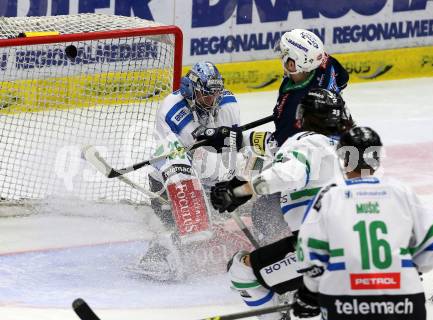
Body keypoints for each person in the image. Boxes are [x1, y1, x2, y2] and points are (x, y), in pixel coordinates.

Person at [209, 88, 354, 319]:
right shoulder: (349, 148)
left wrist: (241, 191)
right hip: (363, 244)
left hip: (322, 247)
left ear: (303, 117)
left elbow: (289, 173)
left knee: (242, 271)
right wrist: (234, 139)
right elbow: (273, 148)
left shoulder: (305, 142)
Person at [199, 29, 349, 244]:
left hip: (318, 166)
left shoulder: (295, 108)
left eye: (284, 54)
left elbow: (278, 147)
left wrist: (237, 139)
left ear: (293, 64)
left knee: (265, 210)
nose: (281, 57)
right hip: (336, 141)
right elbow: (343, 80)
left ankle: (282, 248)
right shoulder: (325, 62)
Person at [293, 126, 433, 320]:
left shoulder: (330, 195)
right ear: (377, 159)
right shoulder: (401, 192)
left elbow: (309, 251)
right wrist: (409, 268)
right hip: (403, 298)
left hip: (343, 301)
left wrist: (310, 292)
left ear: (344, 158)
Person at [137, 61, 241, 280]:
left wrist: (228, 182)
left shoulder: (228, 104)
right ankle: (157, 255)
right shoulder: (170, 109)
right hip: (169, 182)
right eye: (205, 95)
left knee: (242, 183)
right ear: (190, 90)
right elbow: (170, 158)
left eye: (215, 94)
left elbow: (232, 148)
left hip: (209, 177)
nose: (212, 100)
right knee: (180, 224)